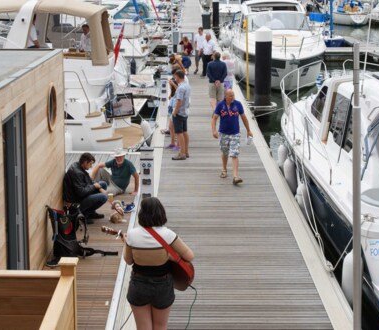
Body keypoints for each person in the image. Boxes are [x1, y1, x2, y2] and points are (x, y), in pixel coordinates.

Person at [122, 197, 194, 330]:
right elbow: (190, 256)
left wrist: (126, 242)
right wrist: (170, 256)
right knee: (160, 326)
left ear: (142, 214)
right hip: (163, 285)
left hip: (139, 284)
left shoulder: (132, 235)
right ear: (161, 212)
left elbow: (128, 261)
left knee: (143, 327)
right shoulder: (168, 234)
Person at [211, 89, 253, 185]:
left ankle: (235, 176)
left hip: (235, 133)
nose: (232, 97)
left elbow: (244, 118)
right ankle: (224, 169)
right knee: (225, 152)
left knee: (234, 153)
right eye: (230, 96)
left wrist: (248, 130)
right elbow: (214, 119)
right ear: (225, 96)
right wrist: (214, 130)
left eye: (233, 95)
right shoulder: (220, 105)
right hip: (223, 133)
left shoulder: (238, 104)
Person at [63, 152, 107, 223]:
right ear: (85, 162)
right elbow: (81, 192)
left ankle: (91, 212)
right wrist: (94, 186)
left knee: (103, 184)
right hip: (75, 202)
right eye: (90, 164)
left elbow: (88, 180)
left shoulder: (78, 165)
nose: (91, 166)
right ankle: (83, 215)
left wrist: (99, 188)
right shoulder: (77, 173)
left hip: (78, 195)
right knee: (103, 197)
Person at [171, 70, 191, 160]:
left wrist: (175, 112)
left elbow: (179, 101)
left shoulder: (181, 88)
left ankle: (182, 153)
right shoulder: (187, 86)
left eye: (175, 77)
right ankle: (186, 151)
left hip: (179, 112)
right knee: (184, 131)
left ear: (178, 76)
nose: (175, 79)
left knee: (179, 133)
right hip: (185, 112)